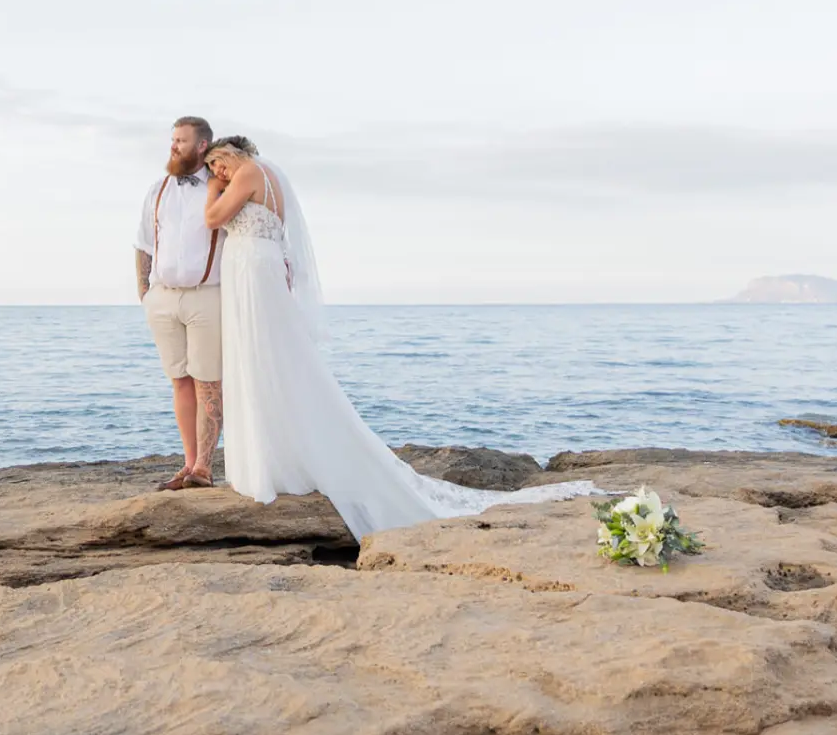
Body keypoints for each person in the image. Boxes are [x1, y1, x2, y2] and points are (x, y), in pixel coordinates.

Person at [201, 135, 596, 538]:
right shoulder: (271, 177)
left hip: (253, 269)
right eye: (213, 169)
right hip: (256, 267)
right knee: (266, 357)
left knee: (260, 356)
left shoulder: (249, 171)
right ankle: (280, 453)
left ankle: (274, 460)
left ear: (233, 153)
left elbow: (213, 219)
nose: (217, 173)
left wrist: (214, 190)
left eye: (218, 163)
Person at [134, 116, 225, 490]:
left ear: (202, 145)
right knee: (180, 383)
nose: (173, 146)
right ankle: (188, 465)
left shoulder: (219, 188)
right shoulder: (158, 190)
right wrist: (145, 295)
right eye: (172, 139)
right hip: (163, 299)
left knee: (209, 385)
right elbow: (142, 244)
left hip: (207, 296)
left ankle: (204, 467)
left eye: (181, 140)